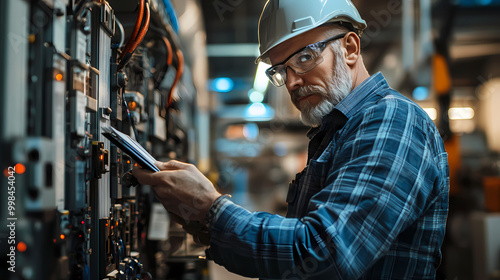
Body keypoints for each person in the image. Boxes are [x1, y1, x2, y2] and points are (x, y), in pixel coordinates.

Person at [133, 0, 450, 278]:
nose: (293, 82)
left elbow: (324, 254)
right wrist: (204, 224)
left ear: (350, 48)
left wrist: (210, 208)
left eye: (304, 59)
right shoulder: (337, 133)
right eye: (281, 70)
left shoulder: (393, 121)